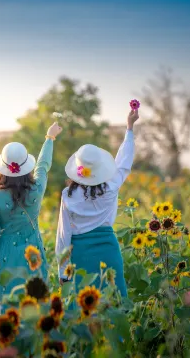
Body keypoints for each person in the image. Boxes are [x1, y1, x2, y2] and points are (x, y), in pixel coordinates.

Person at [55, 108, 139, 297]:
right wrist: (129, 127)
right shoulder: (111, 187)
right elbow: (124, 162)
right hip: (108, 252)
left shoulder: (67, 195)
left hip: (80, 255)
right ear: (100, 168)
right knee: (114, 306)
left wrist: (63, 272)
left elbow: (63, 235)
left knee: (84, 309)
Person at [0, 122, 62, 309]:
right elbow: (43, 166)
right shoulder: (37, 189)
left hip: (5, 254)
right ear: (26, 167)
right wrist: (49, 138)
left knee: (8, 305)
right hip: (32, 251)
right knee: (36, 302)